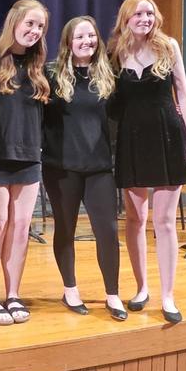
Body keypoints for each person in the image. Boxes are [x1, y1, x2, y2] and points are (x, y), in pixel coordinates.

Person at [108, 0, 186, 324]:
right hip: (131, 141)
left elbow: (184, 96)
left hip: (167, 138)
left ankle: (168, 296)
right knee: (135, 220)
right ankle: (142, 288)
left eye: (149, 12)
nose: (145, 18)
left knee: (164, 222)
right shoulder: (115, 52)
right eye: (138, 13)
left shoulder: (168, 46)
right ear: (126, 18)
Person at [0, 0, 49, 326]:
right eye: (30, 23)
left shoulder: (38, 66)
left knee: (19, 230)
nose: (34, 31)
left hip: (28, 159)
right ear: (14, 20)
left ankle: (12, 294)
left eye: (41, 26)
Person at [42, 16, 126, 321]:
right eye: (79, 37)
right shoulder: (51, 75)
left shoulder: (107, 75)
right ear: (67, 42)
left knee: (108, 231)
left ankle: (112, 294)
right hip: (61, 167)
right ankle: (70, 288)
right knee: (65, 229)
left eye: (91, 36)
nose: (86, 41)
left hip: (99, 168)